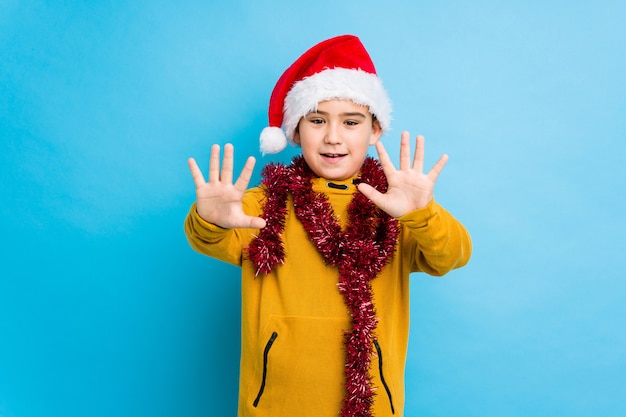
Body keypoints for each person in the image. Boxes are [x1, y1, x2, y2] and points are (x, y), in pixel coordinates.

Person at [184, 34, 472, 417]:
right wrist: (209, 219)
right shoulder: (264, 203)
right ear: (296, 130)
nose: (333, 137)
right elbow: (207, 238)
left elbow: (452, 255)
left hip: (371, 406)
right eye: (317, 120)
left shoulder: (396, 207)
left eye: (350, 122)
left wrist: (421, 212)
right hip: (274, 406)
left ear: (374, 131)